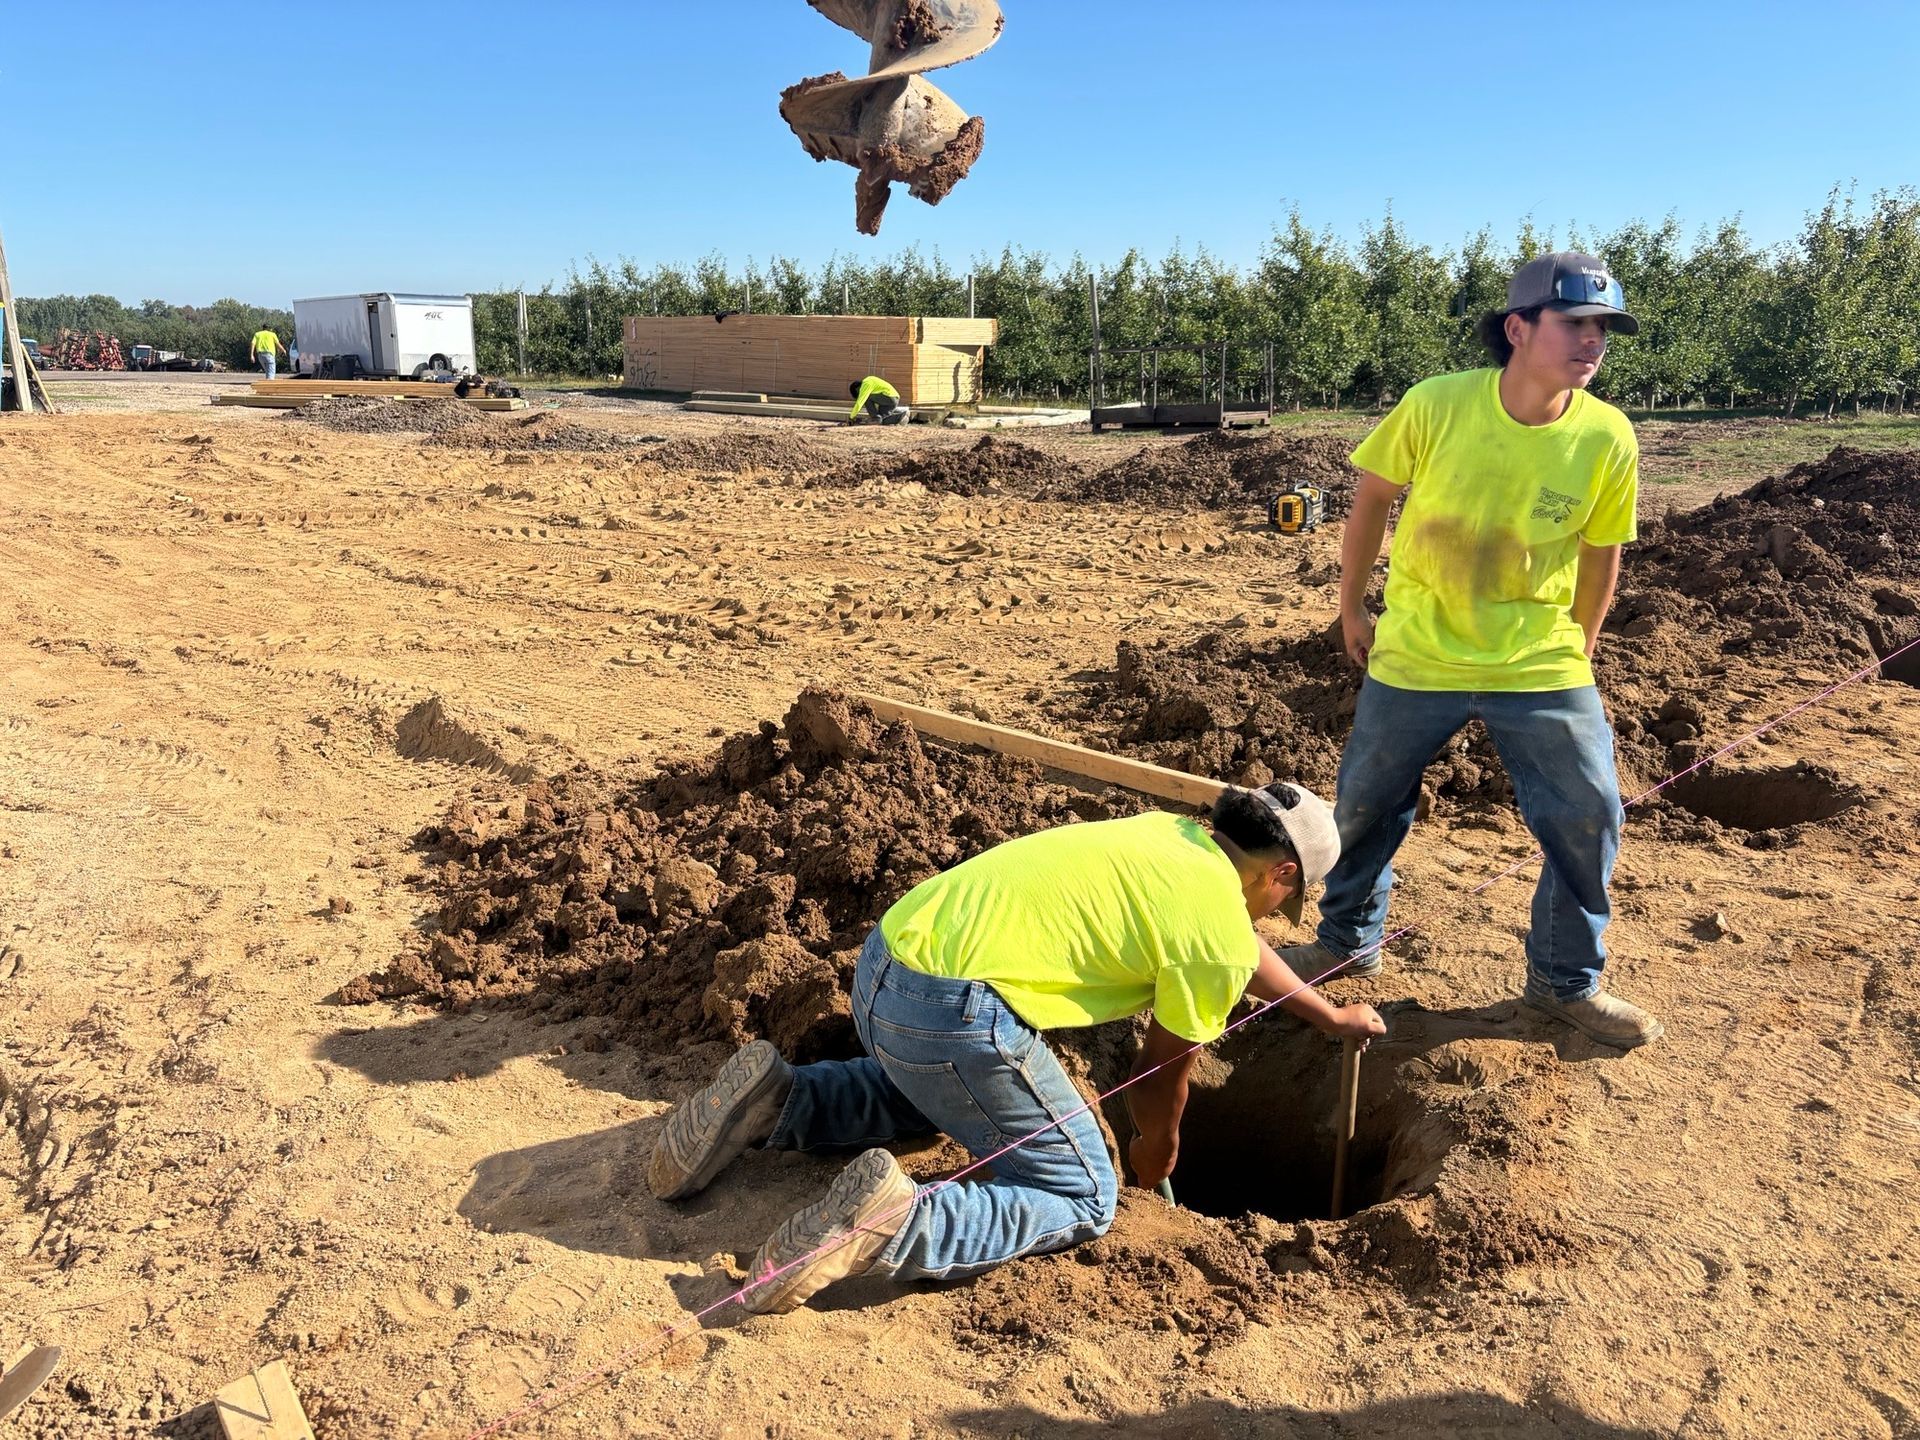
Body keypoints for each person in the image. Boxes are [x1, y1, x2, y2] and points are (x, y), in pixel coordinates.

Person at [648, 782, 1385, 1314]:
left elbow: (1234, 943)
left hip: (886, 966)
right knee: (1086, 1193)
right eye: (1282, 901)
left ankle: (781, 1099)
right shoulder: (1217, 927)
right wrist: (1154, 1152)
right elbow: (1155, 1082)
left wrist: (1326, 1016)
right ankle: (899, 1224)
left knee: (934, 1099)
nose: (1272, 916)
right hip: (951, 1016)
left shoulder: (1171, 838)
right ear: (1282, 874)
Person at [1282, 251, 1660, 1049]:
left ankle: (1565, 985)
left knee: (1587, 814)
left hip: (1539, 660)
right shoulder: (1437, 405)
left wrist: (1581, 645)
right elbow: (1373, 500)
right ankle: (1347, 942)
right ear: (1518, 327)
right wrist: (1350, 606)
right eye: (1575, 324)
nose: (1592, 342)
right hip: (1417, 651)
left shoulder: (1607, 436)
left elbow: (1601, 553)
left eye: (1603, 329)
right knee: (1364, 806)